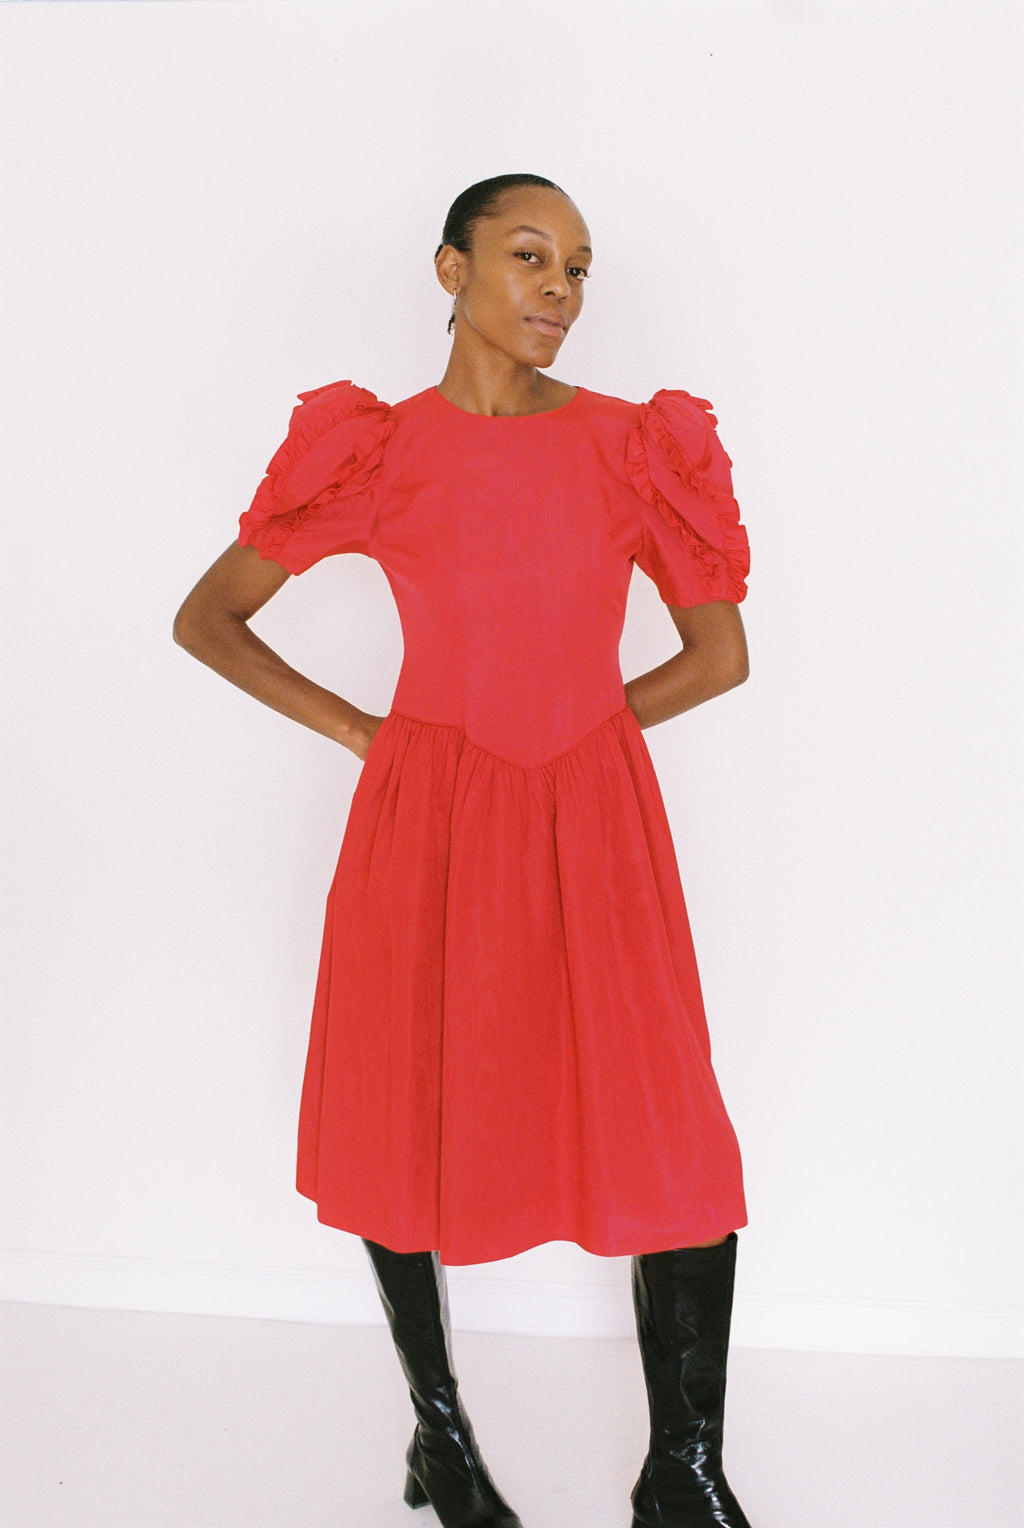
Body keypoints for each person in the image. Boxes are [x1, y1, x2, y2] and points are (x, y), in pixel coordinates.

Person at [173, 173, 755, 1528]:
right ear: (451, 271)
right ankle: (444, 1439)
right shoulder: (380, 453)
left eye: (581, 268)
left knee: (668, 1128)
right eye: (529, 255)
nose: (560, 287)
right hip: (431, 824)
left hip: (596, 821)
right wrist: (374, 735)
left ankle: (685, 1469)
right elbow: (211, 618)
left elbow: (718, 656)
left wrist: (593, 729)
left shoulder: (631, 444)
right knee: (411, 1101)